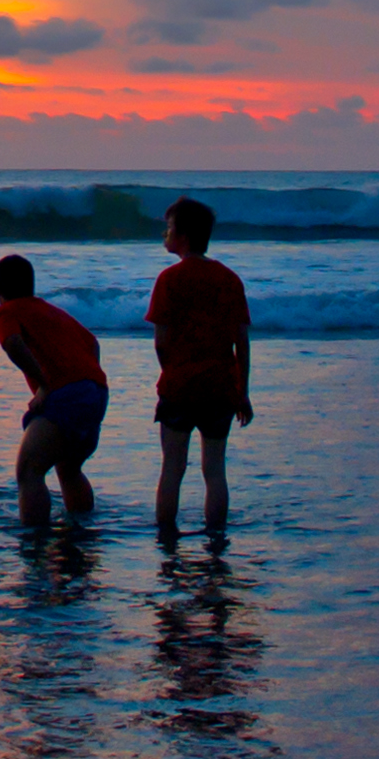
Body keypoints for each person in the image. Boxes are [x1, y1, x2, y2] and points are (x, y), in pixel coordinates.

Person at [147, 197, 253, 539]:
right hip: (220, 386)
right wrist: (243, 392)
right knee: (215, 472)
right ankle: (216, 540)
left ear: (185, 236)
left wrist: (171, 373)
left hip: (180, 386)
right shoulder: (229, 279)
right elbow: (242, 342)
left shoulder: (169, 279)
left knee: (172, 470)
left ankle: (166, 540)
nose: (165, 234)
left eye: (170, 228)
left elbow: (161, 341)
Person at [0, 253, 107, 529]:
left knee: (29, 470)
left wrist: (44, 384)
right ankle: (81, 530)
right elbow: (93, 344)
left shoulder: (5, 312)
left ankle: (34, 545)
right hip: (96, 391)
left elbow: (12, 343)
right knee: (68, 467)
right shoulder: (51, 311)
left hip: (68, 393)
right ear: (31, 285)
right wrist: (85, 386)